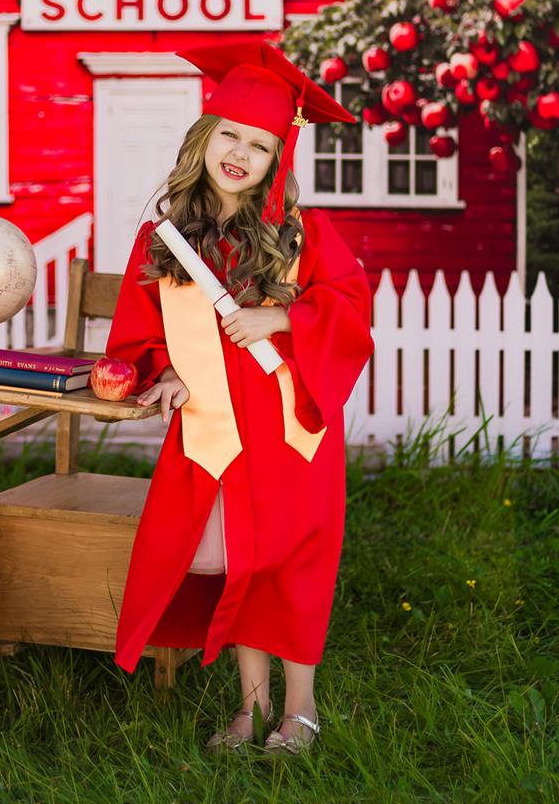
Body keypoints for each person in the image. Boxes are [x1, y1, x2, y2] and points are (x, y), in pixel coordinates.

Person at [104, 42, 374, 753]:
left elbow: (350, 307)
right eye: (229, 134)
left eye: (258, 145)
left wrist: (280, 317)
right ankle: (252, 710)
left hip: (289, 429)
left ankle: (301, 712)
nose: (239, 154)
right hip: (216, 429)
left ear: (276, 158)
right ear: (203, 138)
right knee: (240, 566)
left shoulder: (300, 232)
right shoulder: (165, 240)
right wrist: (165, 371)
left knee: (294, 566)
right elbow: (145, 332)